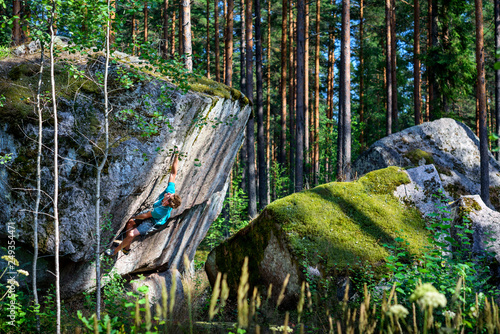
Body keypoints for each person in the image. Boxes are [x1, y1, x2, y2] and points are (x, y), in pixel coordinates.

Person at [107, 154, 182, 256]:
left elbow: (146, 216)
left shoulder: (160, 211)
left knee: (132, 233)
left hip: (154, 221)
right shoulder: (170, 191)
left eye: (169, 195)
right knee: (130, 222)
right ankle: (126, 248)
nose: (169, 193)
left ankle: (113, 252)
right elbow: (173, 173)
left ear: (167, 202)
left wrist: (134, 216)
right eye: (170, 193)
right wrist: (177, 155)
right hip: (152, 214)